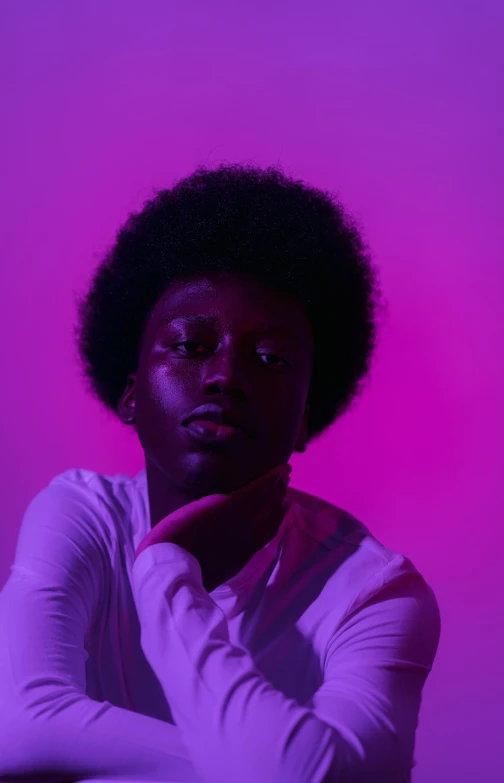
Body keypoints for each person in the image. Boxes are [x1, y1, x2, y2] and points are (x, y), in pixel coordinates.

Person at [0, 163, 440, 783]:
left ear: (307, 420)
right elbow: (20, 728)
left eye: (270, 358)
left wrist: (164, 568)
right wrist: (252, 760)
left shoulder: (374, 593)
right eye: (190, 345)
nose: (226, 376)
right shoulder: (83, 516)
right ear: (130, 394)